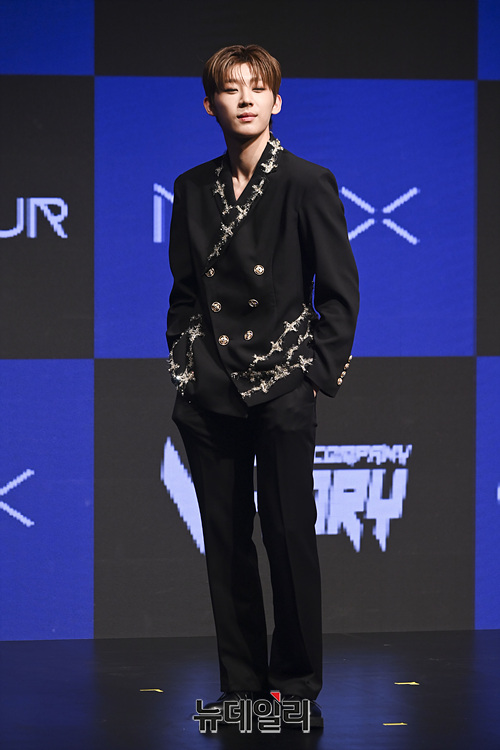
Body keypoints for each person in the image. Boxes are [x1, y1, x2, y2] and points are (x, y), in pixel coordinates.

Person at [166, 44, 359, 729]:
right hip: (210, 392)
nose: (245, 99)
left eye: (257, 88)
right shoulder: (192, 188)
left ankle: (296, 687)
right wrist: (186, 363)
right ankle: (242, 689)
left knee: (288, 534)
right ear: (210, 105)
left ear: (277, 101)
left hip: (280, 387)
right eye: (231, 88)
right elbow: (185, 292)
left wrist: (310, 375)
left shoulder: (307, 182)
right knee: (225, 542)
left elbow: (339, 293)